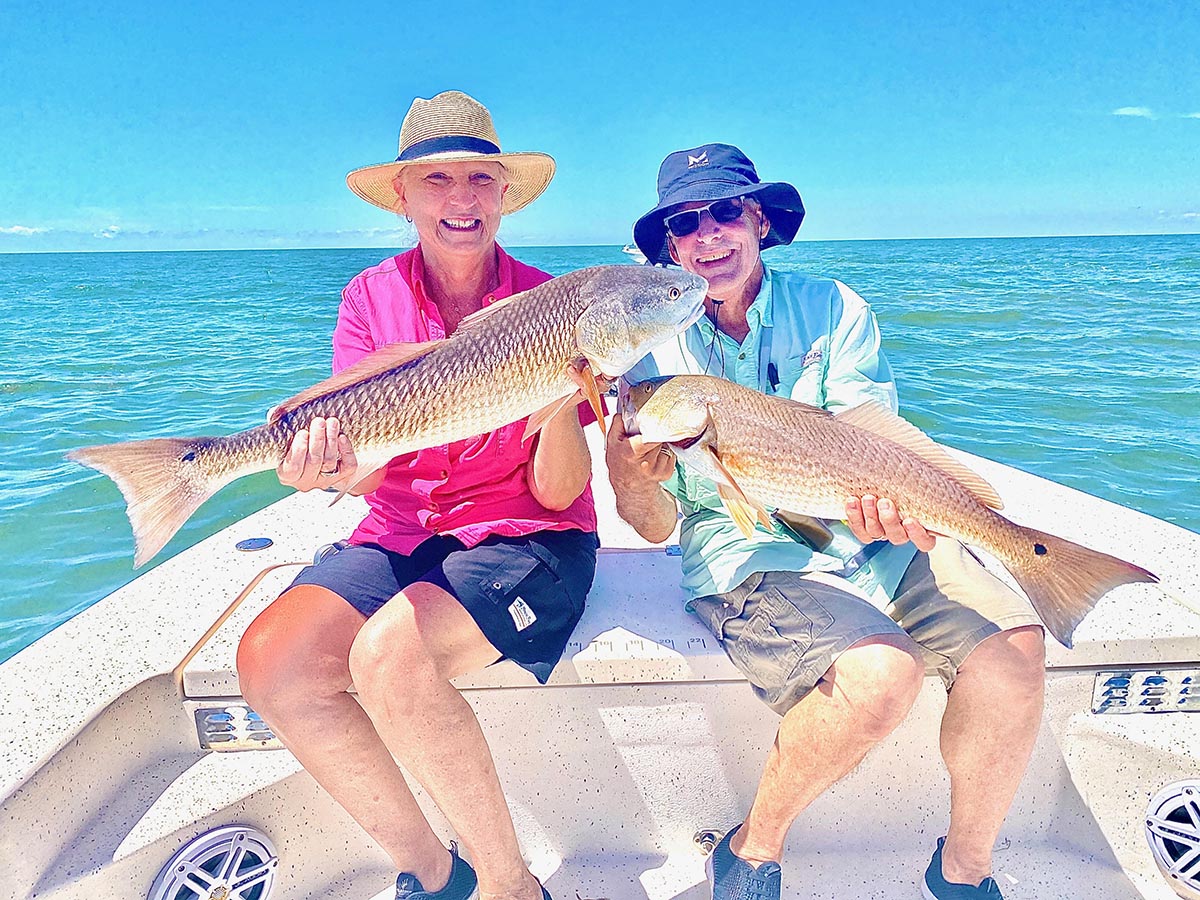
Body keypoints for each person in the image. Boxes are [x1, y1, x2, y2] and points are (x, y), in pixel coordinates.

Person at [607, 143, 1046, 900]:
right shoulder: (646, 352)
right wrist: (627, 463)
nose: (708, 235)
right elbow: (649, 526)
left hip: (872, 528)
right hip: (746, 551)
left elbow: (870, 444)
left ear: (757, 221)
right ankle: (751, 849)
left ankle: (964, 869)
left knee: (1015, 650)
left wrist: (899, 509)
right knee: (882, 678)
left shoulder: (835, 307)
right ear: (670, 248)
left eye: (723, 212)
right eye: (685, 223)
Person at [237, 91, 598, 900]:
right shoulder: (370, 297)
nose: (461, 199)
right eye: (436, 180)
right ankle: (437, 873)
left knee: (389, 656)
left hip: (529, 537)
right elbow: (364, 472)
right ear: (402, 199)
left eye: (479, 178)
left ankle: (513, 887)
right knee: (271, 666)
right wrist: (325, 466)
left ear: (505, 193)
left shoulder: (559, 305)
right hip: (403, 528)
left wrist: (561, 396)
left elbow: (560, 490)